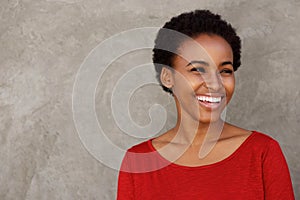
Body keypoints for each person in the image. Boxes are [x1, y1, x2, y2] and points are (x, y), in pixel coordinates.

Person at [117, 10, 295, 199]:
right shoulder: (138, 163)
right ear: (168, 77)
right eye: (198, 69)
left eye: (225, 71)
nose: (215, 84)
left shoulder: (262, 153)